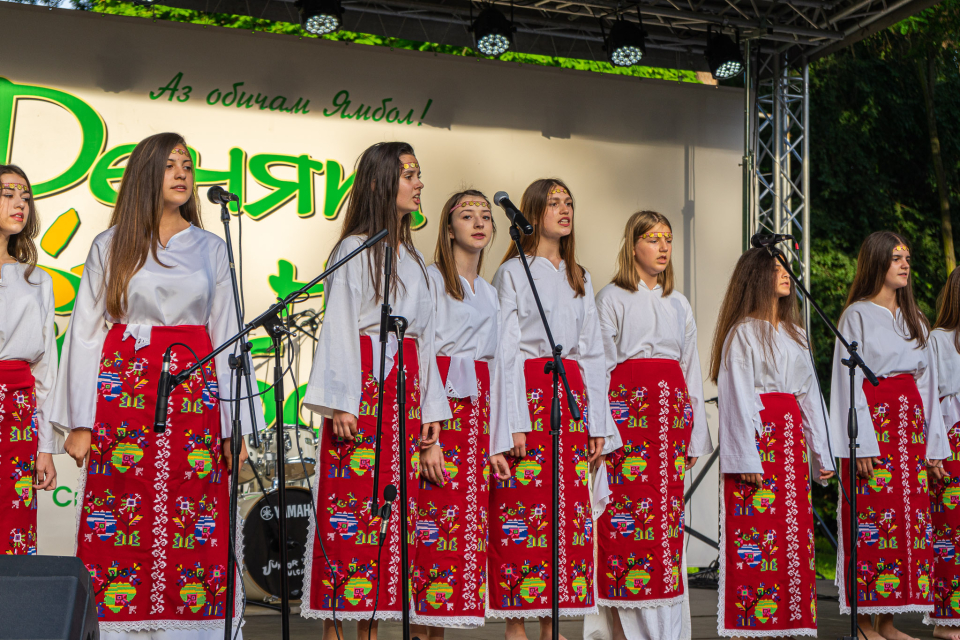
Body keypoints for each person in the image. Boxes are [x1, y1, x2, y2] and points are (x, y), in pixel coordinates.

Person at [52, 133, 261, 639]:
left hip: (195, 392)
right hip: (125, 389)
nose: (183, 173)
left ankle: (197, 627)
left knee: (196, 504)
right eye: (170, 164)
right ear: (146, 172)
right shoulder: (112, 243)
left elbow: (228, 331)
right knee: (121, 503)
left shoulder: (211, 246)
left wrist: (235, 425)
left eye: (188, 164)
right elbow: (85, 333)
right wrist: (81, 422)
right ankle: (116, 627)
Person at [300, 142, 450, 640]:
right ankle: (338, 633)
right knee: (352, 523)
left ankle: (371, 634)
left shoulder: (415, 260)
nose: (419, 182)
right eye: (409, 173)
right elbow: (340, 322)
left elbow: (426, 341)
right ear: (382, 180)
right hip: (363, 388)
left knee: (391, 526)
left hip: (405, 393)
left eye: (418, 172)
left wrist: (432, 410)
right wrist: (343, 400)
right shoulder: (355, 248)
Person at [489, 178, 620, 640]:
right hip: (529, 392)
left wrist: (598, 422)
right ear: (533, 211)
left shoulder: (578, 274)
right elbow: (505, 352)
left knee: (567, 515)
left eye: (569, 202)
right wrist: (513, 424)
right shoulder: (512, 273)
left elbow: (595, 354)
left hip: (571, 394)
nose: (564, 210)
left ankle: (554, 624)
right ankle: (517, 626)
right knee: (523, 512)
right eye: (554, 202)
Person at [586, 211, 713, 640]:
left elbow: (690, 369)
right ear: (633, 245)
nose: (662, 247)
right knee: (625, 522)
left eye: (668, 239)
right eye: (653, 238)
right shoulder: (611, 297)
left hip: (670, 424)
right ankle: (623, 630)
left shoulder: (679, 303)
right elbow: (599, 367)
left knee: (665, 524)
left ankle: (665, 631)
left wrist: (695, 430)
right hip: (628, 423)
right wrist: (600, 430)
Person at [829, 231, 948, 640]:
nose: (904, 264)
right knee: (871, 520)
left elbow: (929, 390)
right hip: (875, 423)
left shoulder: (916, 320)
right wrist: (858, 442)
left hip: (910, 430)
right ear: (876, 261)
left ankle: (888, 624)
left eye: (907, 257)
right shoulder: (856, 315)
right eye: (896, 257)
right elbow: (847, 382)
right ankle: (863, 625)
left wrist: (934, 451)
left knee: (905, 525)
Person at [711, 247, 835, 638]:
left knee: (791, 538)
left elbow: (810, 395)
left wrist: (821, 451)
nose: (786, 274)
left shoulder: (796, 333)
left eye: (787, 268)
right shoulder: (742, 332)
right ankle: (753, 626)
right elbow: (736, 396)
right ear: (757, 277)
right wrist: (745, 457)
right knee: (757, 536)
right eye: (776, 268)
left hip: (790, 442)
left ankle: (791, 624)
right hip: (760, 442)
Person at [409, 190, 513, 637]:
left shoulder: (490, 293)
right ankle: (422, 627)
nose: (479, 223)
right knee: (432, 523)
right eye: (467, 215)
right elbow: (425, 352)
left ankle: (441, 630)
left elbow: (500, 368)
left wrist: (494, 440)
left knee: (466, 530)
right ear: (448, 226)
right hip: (441, 413)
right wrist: (427, 439)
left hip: (476, 415)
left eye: (486, 217)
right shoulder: (430, 280)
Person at [0, 164, 59, 556]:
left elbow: (46, 369)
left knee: (14, 519)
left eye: (25, 196)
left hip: (18, 411)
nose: (20, 203)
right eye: (8, 194)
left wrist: (46, 447)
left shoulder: (37, 279)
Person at [928, 266, 960, 640]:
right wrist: (934, 451)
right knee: (949, 536)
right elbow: (931, 400)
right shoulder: (938, 339)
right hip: (951, 445)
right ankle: (946, 621)